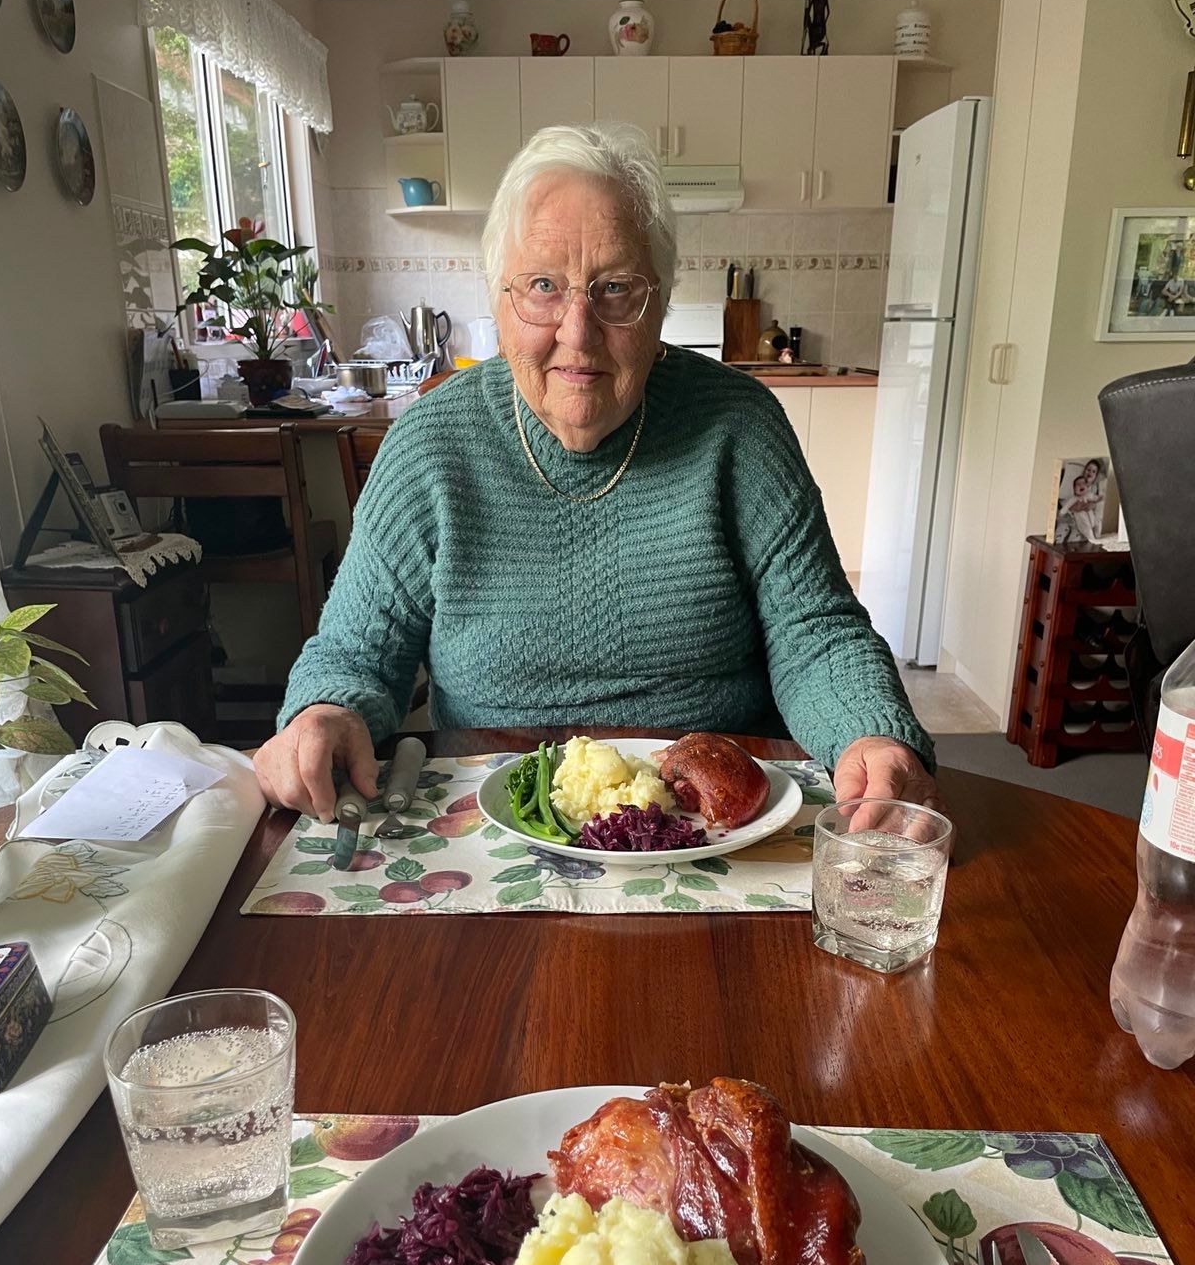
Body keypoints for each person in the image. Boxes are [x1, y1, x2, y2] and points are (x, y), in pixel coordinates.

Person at [254, 123, 939, 821]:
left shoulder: (741, 425)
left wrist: (870, 730)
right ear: (499, 299)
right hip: (498, 819)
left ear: (660, 303)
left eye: (615, 290)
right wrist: (324, 711)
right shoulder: (429, 446)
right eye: (543, 287)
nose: (577, 333)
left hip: (711, 821)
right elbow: (354, 648)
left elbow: (814, 629)